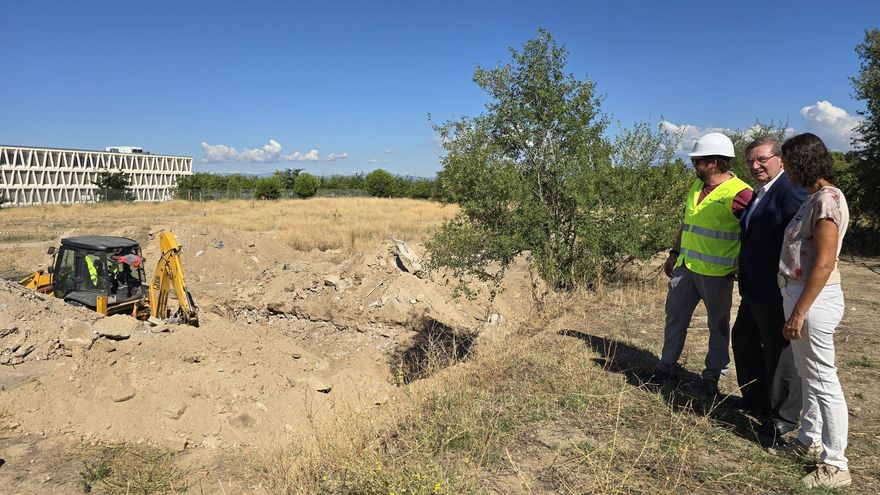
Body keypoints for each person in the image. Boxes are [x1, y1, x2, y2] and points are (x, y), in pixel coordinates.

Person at [771, 133, 851, 489]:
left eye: (788, 163)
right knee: (809, 374)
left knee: (823, 380)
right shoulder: (815, 198)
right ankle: (809, 439)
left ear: (803, 162)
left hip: (813, 299)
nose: (786, 170)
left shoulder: (827, 201)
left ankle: (836, 464)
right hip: (801, 295)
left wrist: (799, 312)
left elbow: (823, 262)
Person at [653, 133, 753, 390]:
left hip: (718, 273)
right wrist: (674, 253)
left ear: (713, 162)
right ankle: (666, 366)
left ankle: (713, 375)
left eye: (697, 161)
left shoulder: (741, 193)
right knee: (674, 317)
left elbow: (753, 234)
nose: (694, 165)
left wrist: (743, 265)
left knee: (717, 324)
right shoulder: (697, 187)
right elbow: (687, 223)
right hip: (686, 268)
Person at [731, 137, 806, 436]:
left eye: (761, 159)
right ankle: (756, 399)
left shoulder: (790, 190)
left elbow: (801, 239)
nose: (755, 165)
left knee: (779, 350)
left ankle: (784, 417)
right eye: (750, 160)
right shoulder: (760, 192)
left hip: (775, 288)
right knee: (744, 339)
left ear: (780, 159)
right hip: (754, 288)